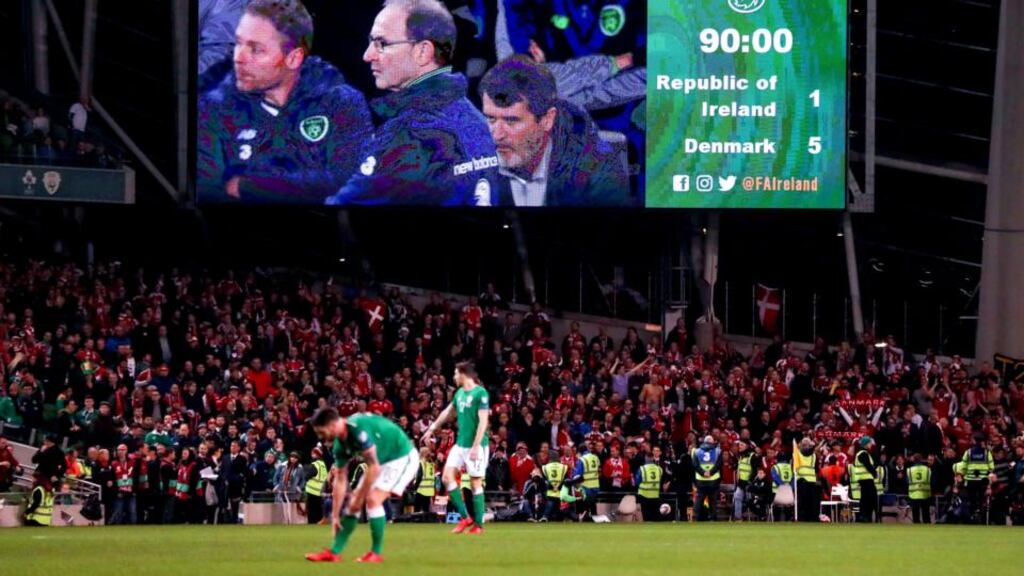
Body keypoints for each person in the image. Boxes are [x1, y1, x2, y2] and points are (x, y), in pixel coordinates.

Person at [324, 0, 500, 206]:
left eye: (382, 44)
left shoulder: (410, 134)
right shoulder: (478, 120)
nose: (367, 55)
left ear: (423, 51)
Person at [197, 0, 374, 203]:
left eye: (256, 49)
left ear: (293, 58)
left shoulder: (341, 103)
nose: (238, 57)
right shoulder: (214, 106)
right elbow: (204, 190)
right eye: (238, 43)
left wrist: (250, 186)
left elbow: (353, 181)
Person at [479, 55, 630, 207]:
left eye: (511, 121)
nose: (497, 135)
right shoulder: (473, 158)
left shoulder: (596, 164)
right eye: (491, 119)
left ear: (547, 120)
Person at [305, 408, 419, 564]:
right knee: (354, 504)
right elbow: (340, 479)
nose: (320, 436)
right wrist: (336, 515)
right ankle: (334, 552)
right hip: (381, 461)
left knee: (372, 499)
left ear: (331, 424)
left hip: (401, 456)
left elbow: (374, 466)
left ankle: (376, 553)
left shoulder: (357, 428)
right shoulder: (339, 445)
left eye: (320, 431)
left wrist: (359, 495)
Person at [420, 360, 490, 534]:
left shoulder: (481, 393)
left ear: (464, 374)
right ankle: (465, 517)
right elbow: (447, 412)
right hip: (460, 444)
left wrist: (475, 447)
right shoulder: (459, 393)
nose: (454, 377)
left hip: (477, 445)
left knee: (475, 482)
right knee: (446, 477)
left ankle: (479, 525)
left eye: (456, 373)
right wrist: (432, 429)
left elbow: (483, 422)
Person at [961, 433, 994, 523]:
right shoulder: (987, 453)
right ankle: (980, 516)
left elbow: (963, 467)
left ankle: (972, 517)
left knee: (971, 500)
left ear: (974, 441)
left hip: (970, 480)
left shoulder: (968, 452)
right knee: (981, 500)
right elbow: (991, 468)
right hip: (983, 481)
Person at [692, 435, 722, 521]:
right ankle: (713, 518)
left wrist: (703, 473)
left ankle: (695, 516)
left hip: (701, 480)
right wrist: (711, 472)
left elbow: (695, 465)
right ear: (712, 442)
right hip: (713, 480)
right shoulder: (718, 451)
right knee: (712, 500)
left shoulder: (696, 451)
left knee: (699, 499)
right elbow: (719, 465)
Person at [852, 436, 879, 523]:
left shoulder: (861, 453)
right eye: (870, 443)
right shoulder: (863, 453)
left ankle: (865, 517)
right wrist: (875, 473)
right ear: (866, 444)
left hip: (864, 480)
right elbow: (868, 466)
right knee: (868, 499)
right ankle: (865, 517)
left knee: (865, 499)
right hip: (866, 480)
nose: (871, 444)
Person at [733, 440, 761, 521]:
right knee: (737, 497)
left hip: (749, 483)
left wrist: (750, 481)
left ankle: (758, 516)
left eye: (742, 445)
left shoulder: (752, 456)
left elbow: (755, 471)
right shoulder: (741, 456)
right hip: (741, 483)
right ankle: (738, 518)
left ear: (747, 446)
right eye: (739, 445)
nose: (739, 447)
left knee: (749, 501)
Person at [636, 446, 666, 522]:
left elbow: (637, 481)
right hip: (655, 495)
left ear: (645, 458)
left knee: (646, 517)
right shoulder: (659, 469)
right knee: (655, 517)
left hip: (644, 495)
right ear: (652, 458)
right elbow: (661, 480)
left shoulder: (642, 469)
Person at [794, 438, 819, 522]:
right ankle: (802, 518)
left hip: (811, 481)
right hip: (802, 480)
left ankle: (810, 518)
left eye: (807, 444)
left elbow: (816, 468)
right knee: (802, 501)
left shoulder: (813, 455)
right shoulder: (800, 453)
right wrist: (813, 446)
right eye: (804, 444)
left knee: (811, 502)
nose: (805, 446)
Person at [304, 446, 328, 524]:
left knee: (311, 512)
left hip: (311, 491)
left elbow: (307, 476)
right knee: (318, 511)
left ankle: (311, 525)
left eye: (313, 453)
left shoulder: (315, 464)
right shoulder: (323, 465)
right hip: (320, 491)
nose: (312, 455)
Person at [540, 454, 568, 521]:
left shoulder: (545, 467)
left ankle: (545, 516)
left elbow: (544, 480)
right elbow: (566, 479)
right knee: (559, 506)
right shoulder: (563, 467)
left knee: (550, 502)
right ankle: (560, 518)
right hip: (560, 490)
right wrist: (558, 486)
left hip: (549, 490)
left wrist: (552, 486)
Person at [907, 453, 932, 524]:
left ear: (914, 460)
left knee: (916, 517)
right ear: (921, 460)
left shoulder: (910, 470)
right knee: (926, 516)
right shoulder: (928, 469)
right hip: (925, 494)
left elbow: (906, 482)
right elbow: (932, 481)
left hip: (914, 495)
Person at [771, 451, 794, 522]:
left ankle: (776, 522)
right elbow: (793, 478)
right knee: (788, 507)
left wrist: (781, 485)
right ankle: (788, 521)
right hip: (788, 490)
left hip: (777, 490)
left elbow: (775, 477)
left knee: (777, 507)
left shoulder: (775, 467)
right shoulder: (791, 467)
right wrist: (790, 487)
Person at [414, 446, 437, 516]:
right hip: (429, 490)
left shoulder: (421, 463)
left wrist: (415, 487)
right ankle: (426, 521)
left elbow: (419, 476)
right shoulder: (431, 464)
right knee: (426, 509)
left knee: (417, 509)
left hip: (421, 489)